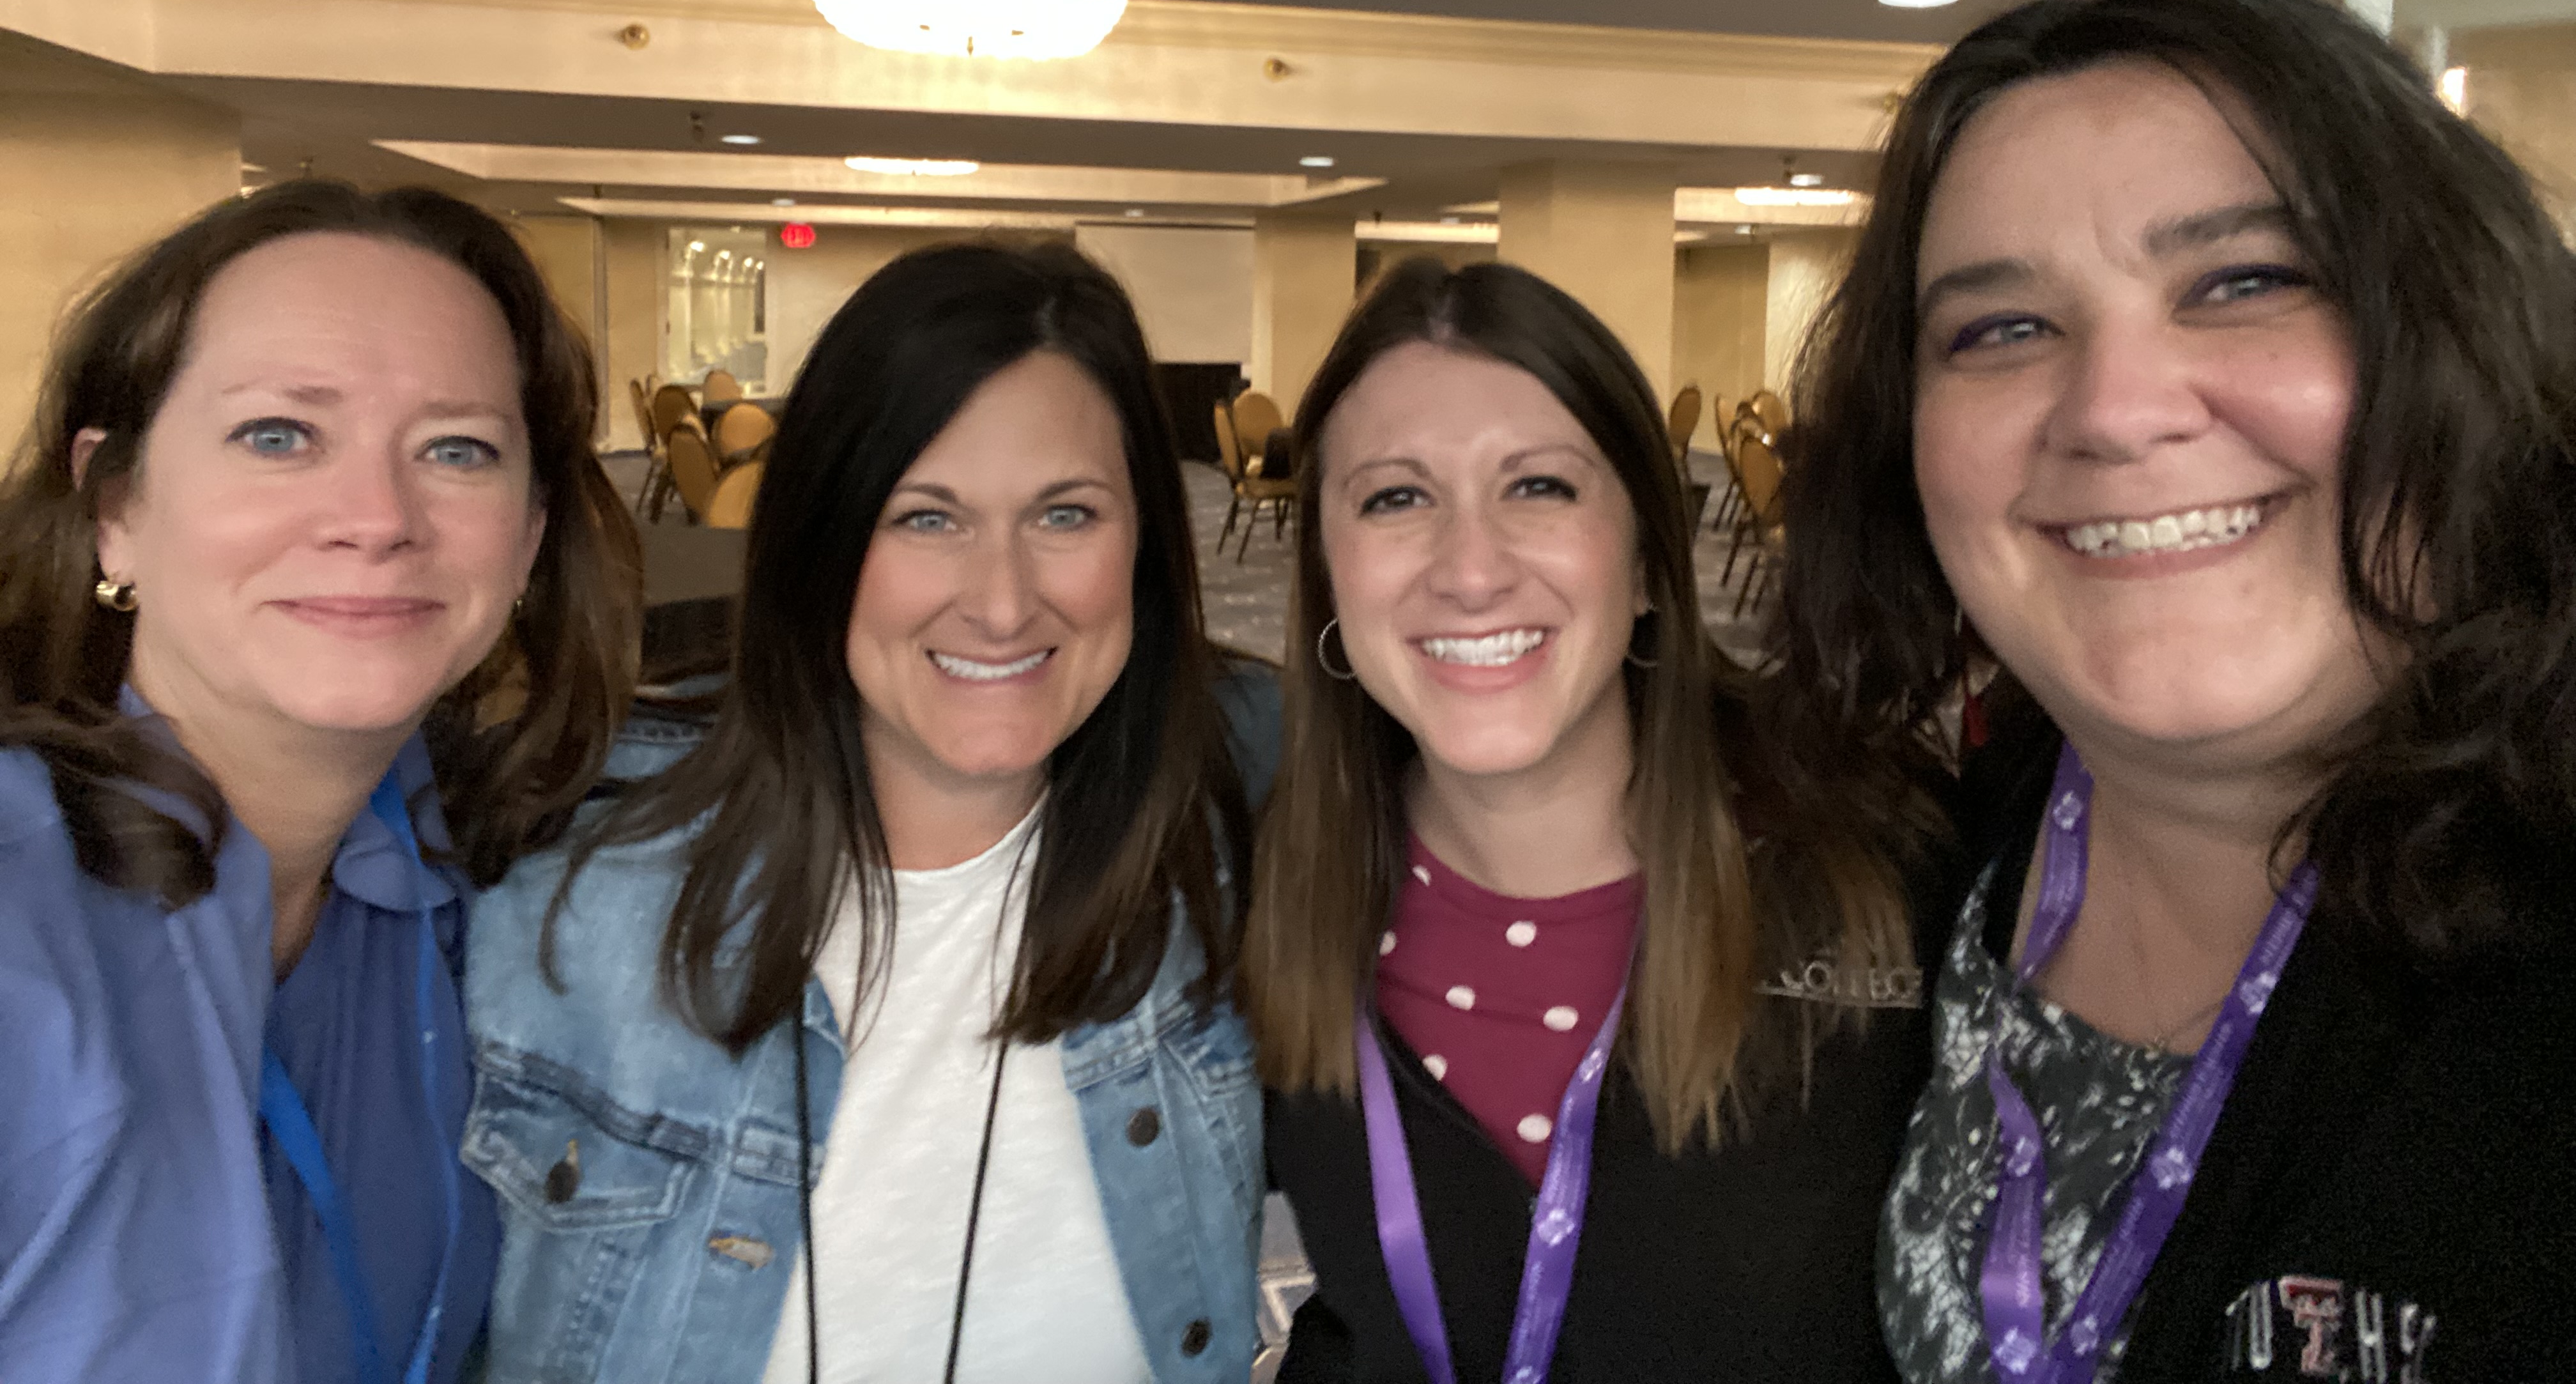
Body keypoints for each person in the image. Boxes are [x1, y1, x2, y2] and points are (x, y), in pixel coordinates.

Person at [1768, 0, 2576, 1384]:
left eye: (2244, 282)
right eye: (2002, 328)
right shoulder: (1944, 855)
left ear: (2463, 339)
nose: (2115, 411)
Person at [465, 239, 1276, 1384]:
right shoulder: (559, 889)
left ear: (1144, 547)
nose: (1001, 601)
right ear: (823, 544)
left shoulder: (1230, 836)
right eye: (926, 518)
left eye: (1067, 515)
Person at [1246, 257, 1955, 1381]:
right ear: (1329, 577)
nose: (1470, 569)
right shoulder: (1263, 891)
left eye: (1540, 487)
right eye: (1395, 497)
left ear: (1642, 563)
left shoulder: (1887, 867)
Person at [0, 180, 640, 1383]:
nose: (377, 517)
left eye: (458, 450)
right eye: (280, 435)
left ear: (532, 532)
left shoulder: (478, 894)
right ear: (116, 505)